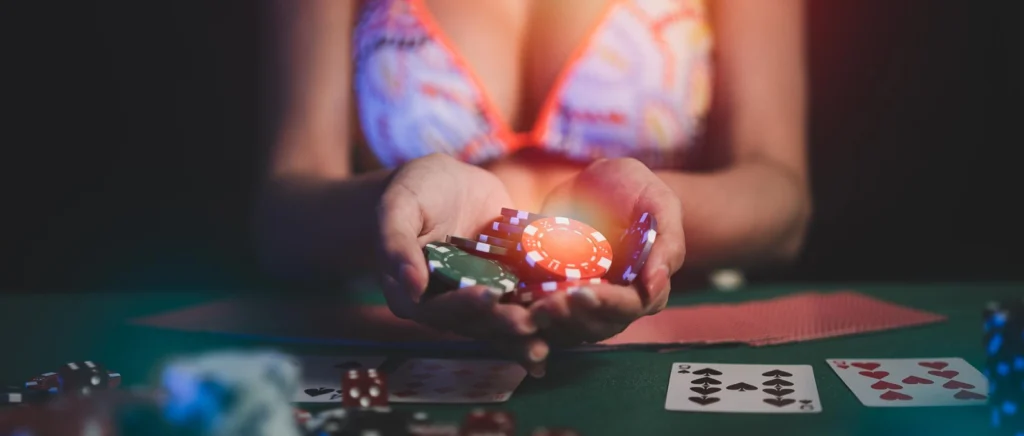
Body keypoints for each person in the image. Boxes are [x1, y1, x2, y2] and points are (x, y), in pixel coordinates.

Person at [257, 0, 809, 373]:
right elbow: (281, 216)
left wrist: (655, 217)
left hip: (670, 347)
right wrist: (396, 201)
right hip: (403, 347)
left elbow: (783, 200)